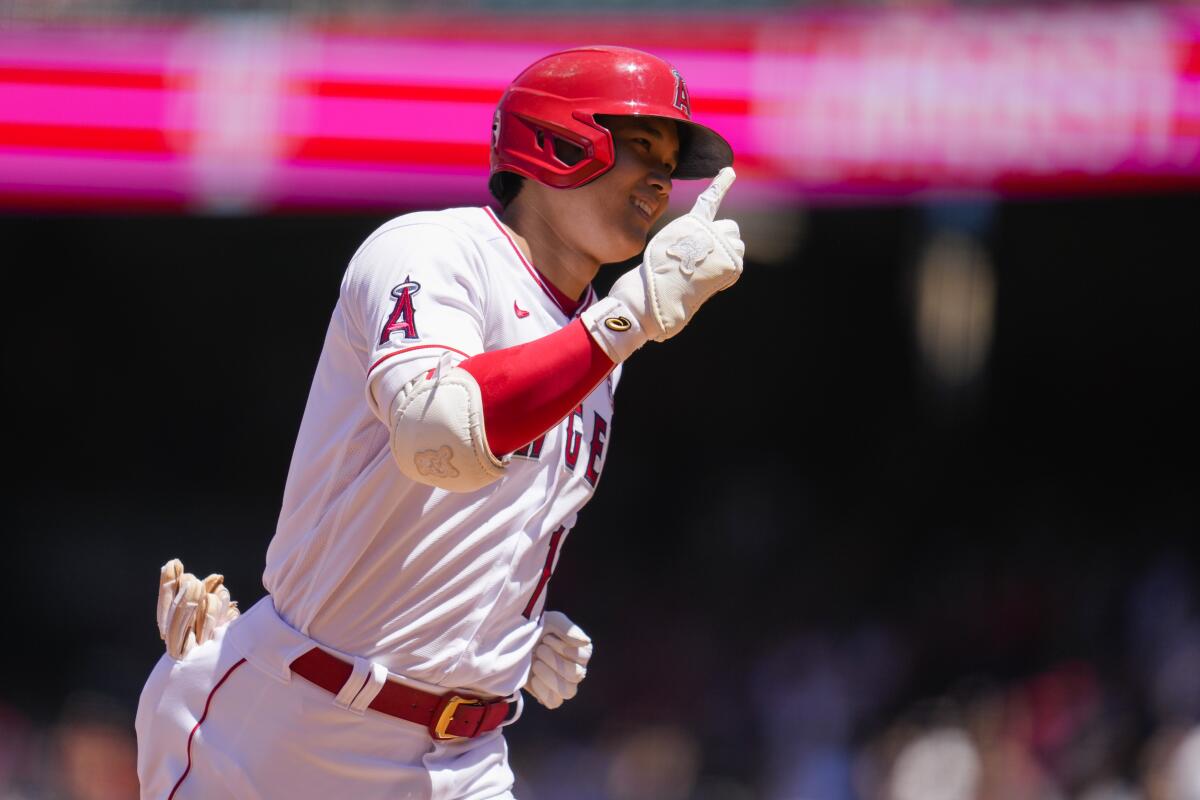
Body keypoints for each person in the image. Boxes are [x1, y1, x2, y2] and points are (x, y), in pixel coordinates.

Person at [135, 44, 744, 799]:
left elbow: (491, 511)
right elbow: (438, 438)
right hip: (288, 732)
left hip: (463, 759)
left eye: (672, 159)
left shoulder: (595, 341)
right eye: (640, 145)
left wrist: (502, 635)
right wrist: (628, 319)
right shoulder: (432, 252)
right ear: (555, 140)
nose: (662, 177)